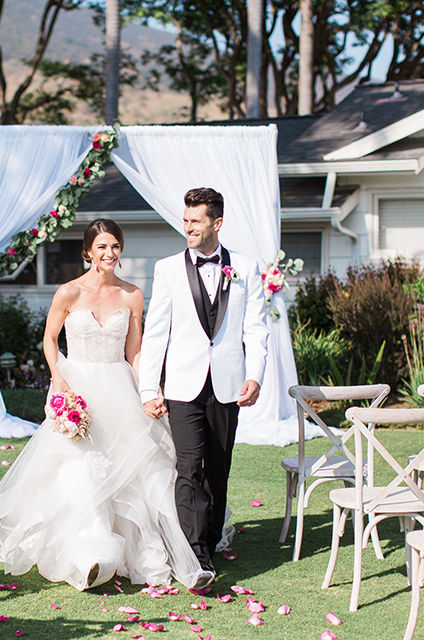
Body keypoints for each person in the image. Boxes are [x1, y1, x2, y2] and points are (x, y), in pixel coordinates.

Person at [0, 218, 208, 591]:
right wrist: (59, 379)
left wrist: (149, 389)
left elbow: (135, 350)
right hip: (77, 387)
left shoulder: (132, 295)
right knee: (81, 468)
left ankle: (149, 550)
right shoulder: (67, 293)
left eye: (115, 246)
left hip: (119, 385)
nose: (109, 253)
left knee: (139, 467)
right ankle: (89, 553)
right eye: (101, 247)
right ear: (88, 252)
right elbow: (50, 340)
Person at [138, 187, 269, 588]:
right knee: (188, 467)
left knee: (219, 470)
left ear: (217, 223)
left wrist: (256, 374)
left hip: (228, 384)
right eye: (186, 220)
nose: (188, 227)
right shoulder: (167, 269)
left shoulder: (246, 268)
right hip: (181, 384)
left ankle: (209, 540)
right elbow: (156, 331)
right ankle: (195, 557)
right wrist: (149, 388)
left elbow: (257, 328)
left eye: (196, 221)